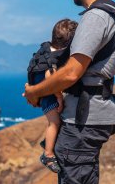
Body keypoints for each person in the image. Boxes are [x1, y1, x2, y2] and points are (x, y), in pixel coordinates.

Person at [23, 0, 115, 184]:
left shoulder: (95, 17)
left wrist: (36, 92)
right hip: (96, 112)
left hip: (83, 118)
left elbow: (71, 72)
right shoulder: (113, 12)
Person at [28, 18, 78, 173]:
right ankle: (48, 154)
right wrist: (59, 98)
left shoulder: (46, 51)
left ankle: (48, 142)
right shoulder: (55, 58)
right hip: (48, 95)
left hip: (42, 92)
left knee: (57, 123)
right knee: (54, 123)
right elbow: (51, 78)